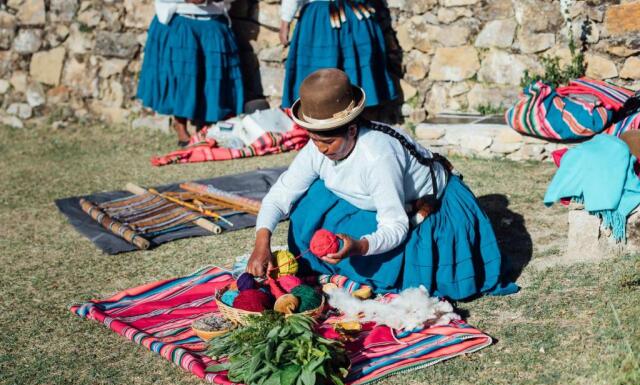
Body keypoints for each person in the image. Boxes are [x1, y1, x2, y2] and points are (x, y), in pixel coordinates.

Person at [247, 69, 518, 300]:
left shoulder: (378, 158)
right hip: (373, 201)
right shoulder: (317, 148)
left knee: (379, 263)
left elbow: (396, 226)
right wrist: (262, 242)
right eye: (314, 140)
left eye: (328, 143)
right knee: (308, 203)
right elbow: (281, 194)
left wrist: (358, 247)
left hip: (427, 208)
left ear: (351, 130)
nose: (320, 150)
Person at [137, 0, 244, 146]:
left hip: (213, 22)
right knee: (181, 78)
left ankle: (207, 126)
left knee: (212, 78)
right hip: (180, 21)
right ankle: (180, 126)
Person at [279, 0, 397, 111]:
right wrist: (286, 19)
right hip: (322, 19)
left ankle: (357, 123)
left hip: (353, 17)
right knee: (319, 81)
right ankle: (323, 123)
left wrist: (285, 21)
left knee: (360, 84)